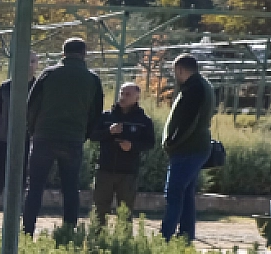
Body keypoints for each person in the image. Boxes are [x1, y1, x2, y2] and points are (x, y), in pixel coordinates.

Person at [21, 38, 104, 237]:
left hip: (44, 137)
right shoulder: (92, 79)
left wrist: (34, 131)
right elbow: (96, 114)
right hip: (73, 139)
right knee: (70, 188)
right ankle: (67, 231)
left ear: (63, 53)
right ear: (84, 53)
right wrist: (84, 134)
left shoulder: (48, 74)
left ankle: (27, 231)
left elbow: (31, 106)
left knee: (35, 188)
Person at [160, 54, 217, 242]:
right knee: (186, 194)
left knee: (174, 192)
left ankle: (166, 236)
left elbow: (188, 121)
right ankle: (185, 236)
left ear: (180, 70)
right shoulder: (203, 85)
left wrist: (172, 142)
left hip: (188, 149)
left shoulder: (194, 88)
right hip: (196, 147)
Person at [0, 55, 36, 220]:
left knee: (21, 186)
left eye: (33, 61)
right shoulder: (6, 87)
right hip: (4, 143)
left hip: (27, 144)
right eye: (27, 60)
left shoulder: (39, 88)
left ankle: (14, 222)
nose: (30, 65)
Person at [89, 82, 156, 225]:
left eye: (128, 94)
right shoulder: (106, 116)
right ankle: (97, 240)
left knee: (125, 212)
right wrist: (109, 132)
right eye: (121, 93)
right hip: (105, 170)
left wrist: (132, 146)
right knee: (99, 209)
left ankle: (124, 243)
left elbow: (150, 143)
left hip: (128, 173)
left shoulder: (144, 121)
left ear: (136, 98)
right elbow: (93, 135)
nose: (123, 97)